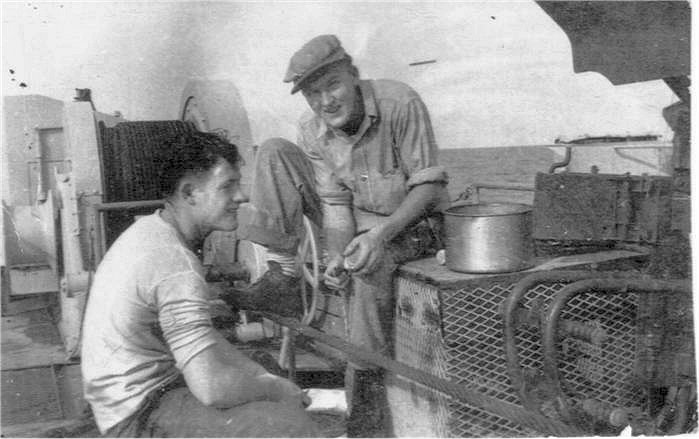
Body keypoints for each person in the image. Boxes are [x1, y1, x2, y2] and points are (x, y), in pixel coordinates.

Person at [232, 34, 449, 437]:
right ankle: (283, 275)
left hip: (413, 223)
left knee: (366, 267)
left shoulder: (400, 102)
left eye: (332, 85)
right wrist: (335, 255)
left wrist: (378, 237)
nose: (325, 101)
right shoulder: (311, 128)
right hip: (357, 220)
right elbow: (334, 204)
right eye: (313, 93)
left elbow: (429, 188)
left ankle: (367, 413)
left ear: (354, 75)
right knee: (274, 151)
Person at [81, 131, 320, 438]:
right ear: (190, 193)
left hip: (125, 400)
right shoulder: (175, 263)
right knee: (290, 426)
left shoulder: (152, 229)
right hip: (136, 417)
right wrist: (276, 390)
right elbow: (212, 388)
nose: (241, 196)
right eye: (227, 186)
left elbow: (207, 341)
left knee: (262, 366)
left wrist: (265, 378)